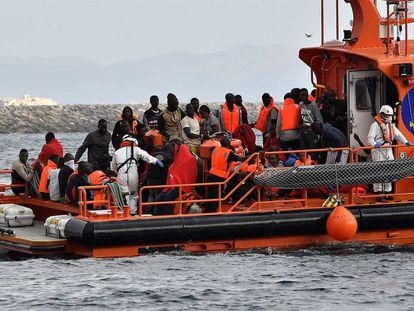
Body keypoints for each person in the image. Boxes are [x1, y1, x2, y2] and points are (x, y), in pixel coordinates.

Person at [367, 105, 411, 200]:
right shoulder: (375, 125)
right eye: (388, 115)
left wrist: (406, 142)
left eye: (390, 115)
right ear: (382, 115)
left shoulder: (391, 126)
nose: (390, 117)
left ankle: (387, 191)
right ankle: (378, 193)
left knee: (389, 169)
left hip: (388, 148)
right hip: (378, 150)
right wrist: (374, 144)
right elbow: (370, 138)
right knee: (379, 171)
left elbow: (398, 135)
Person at [111, 135, 163, 215]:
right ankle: (133, 212)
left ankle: (125, 212)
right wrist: (156, 161)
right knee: (133, 194)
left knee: (125, 194)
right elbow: (146, 157)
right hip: (133, 173)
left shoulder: (117, 152)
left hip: (121, 174)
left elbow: (113, 167)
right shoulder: (136, 149)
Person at [206, 135, 248, 213]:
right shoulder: (228, 153)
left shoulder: (215, 150)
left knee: (210, 196)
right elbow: (240, 159)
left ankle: (208, 212)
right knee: (216, 198)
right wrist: (252, 156)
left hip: (211, 175)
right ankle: (213, 213)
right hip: (219, 178)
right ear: (229, 144)